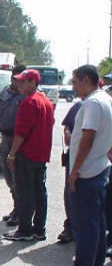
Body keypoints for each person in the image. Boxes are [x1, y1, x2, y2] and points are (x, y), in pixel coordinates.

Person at [54, 66, 112, 266]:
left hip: (87, 173)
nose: (73, 87)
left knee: (84, 225)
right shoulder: (105, 100)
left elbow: (87, 138)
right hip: (99, 169)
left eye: (75, 82)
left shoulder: (92, 104)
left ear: (86, 80)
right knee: (96, 221)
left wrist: (75, 171)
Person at [3, 69, 54, 241]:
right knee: (40, 192)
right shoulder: (45, 101)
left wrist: (11, 155)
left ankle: (25, 230)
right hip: (40, 155)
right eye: (18, 81)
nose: (19, 84)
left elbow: (21, 134)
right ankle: (39, 229)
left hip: (27, 154)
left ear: (33, 82)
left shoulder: (29, 102)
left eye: (23, 81)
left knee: (25, 193)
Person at [0, 64, 26, 226]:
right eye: (15, 78)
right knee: (9, 178)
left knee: (18, 177)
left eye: (20, 79)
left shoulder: (27, 96)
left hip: (19, 140)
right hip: (5, 139)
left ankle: (21, 212)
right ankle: (15, 207)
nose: (17, 82)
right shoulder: (4, 93)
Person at [57, 99, 83, 243]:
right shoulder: (78, 106)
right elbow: (67, 125)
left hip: (95, 161)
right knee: (70, 193)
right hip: (73, 157)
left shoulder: (102, 105)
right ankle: (71, 228)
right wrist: (68, 133)